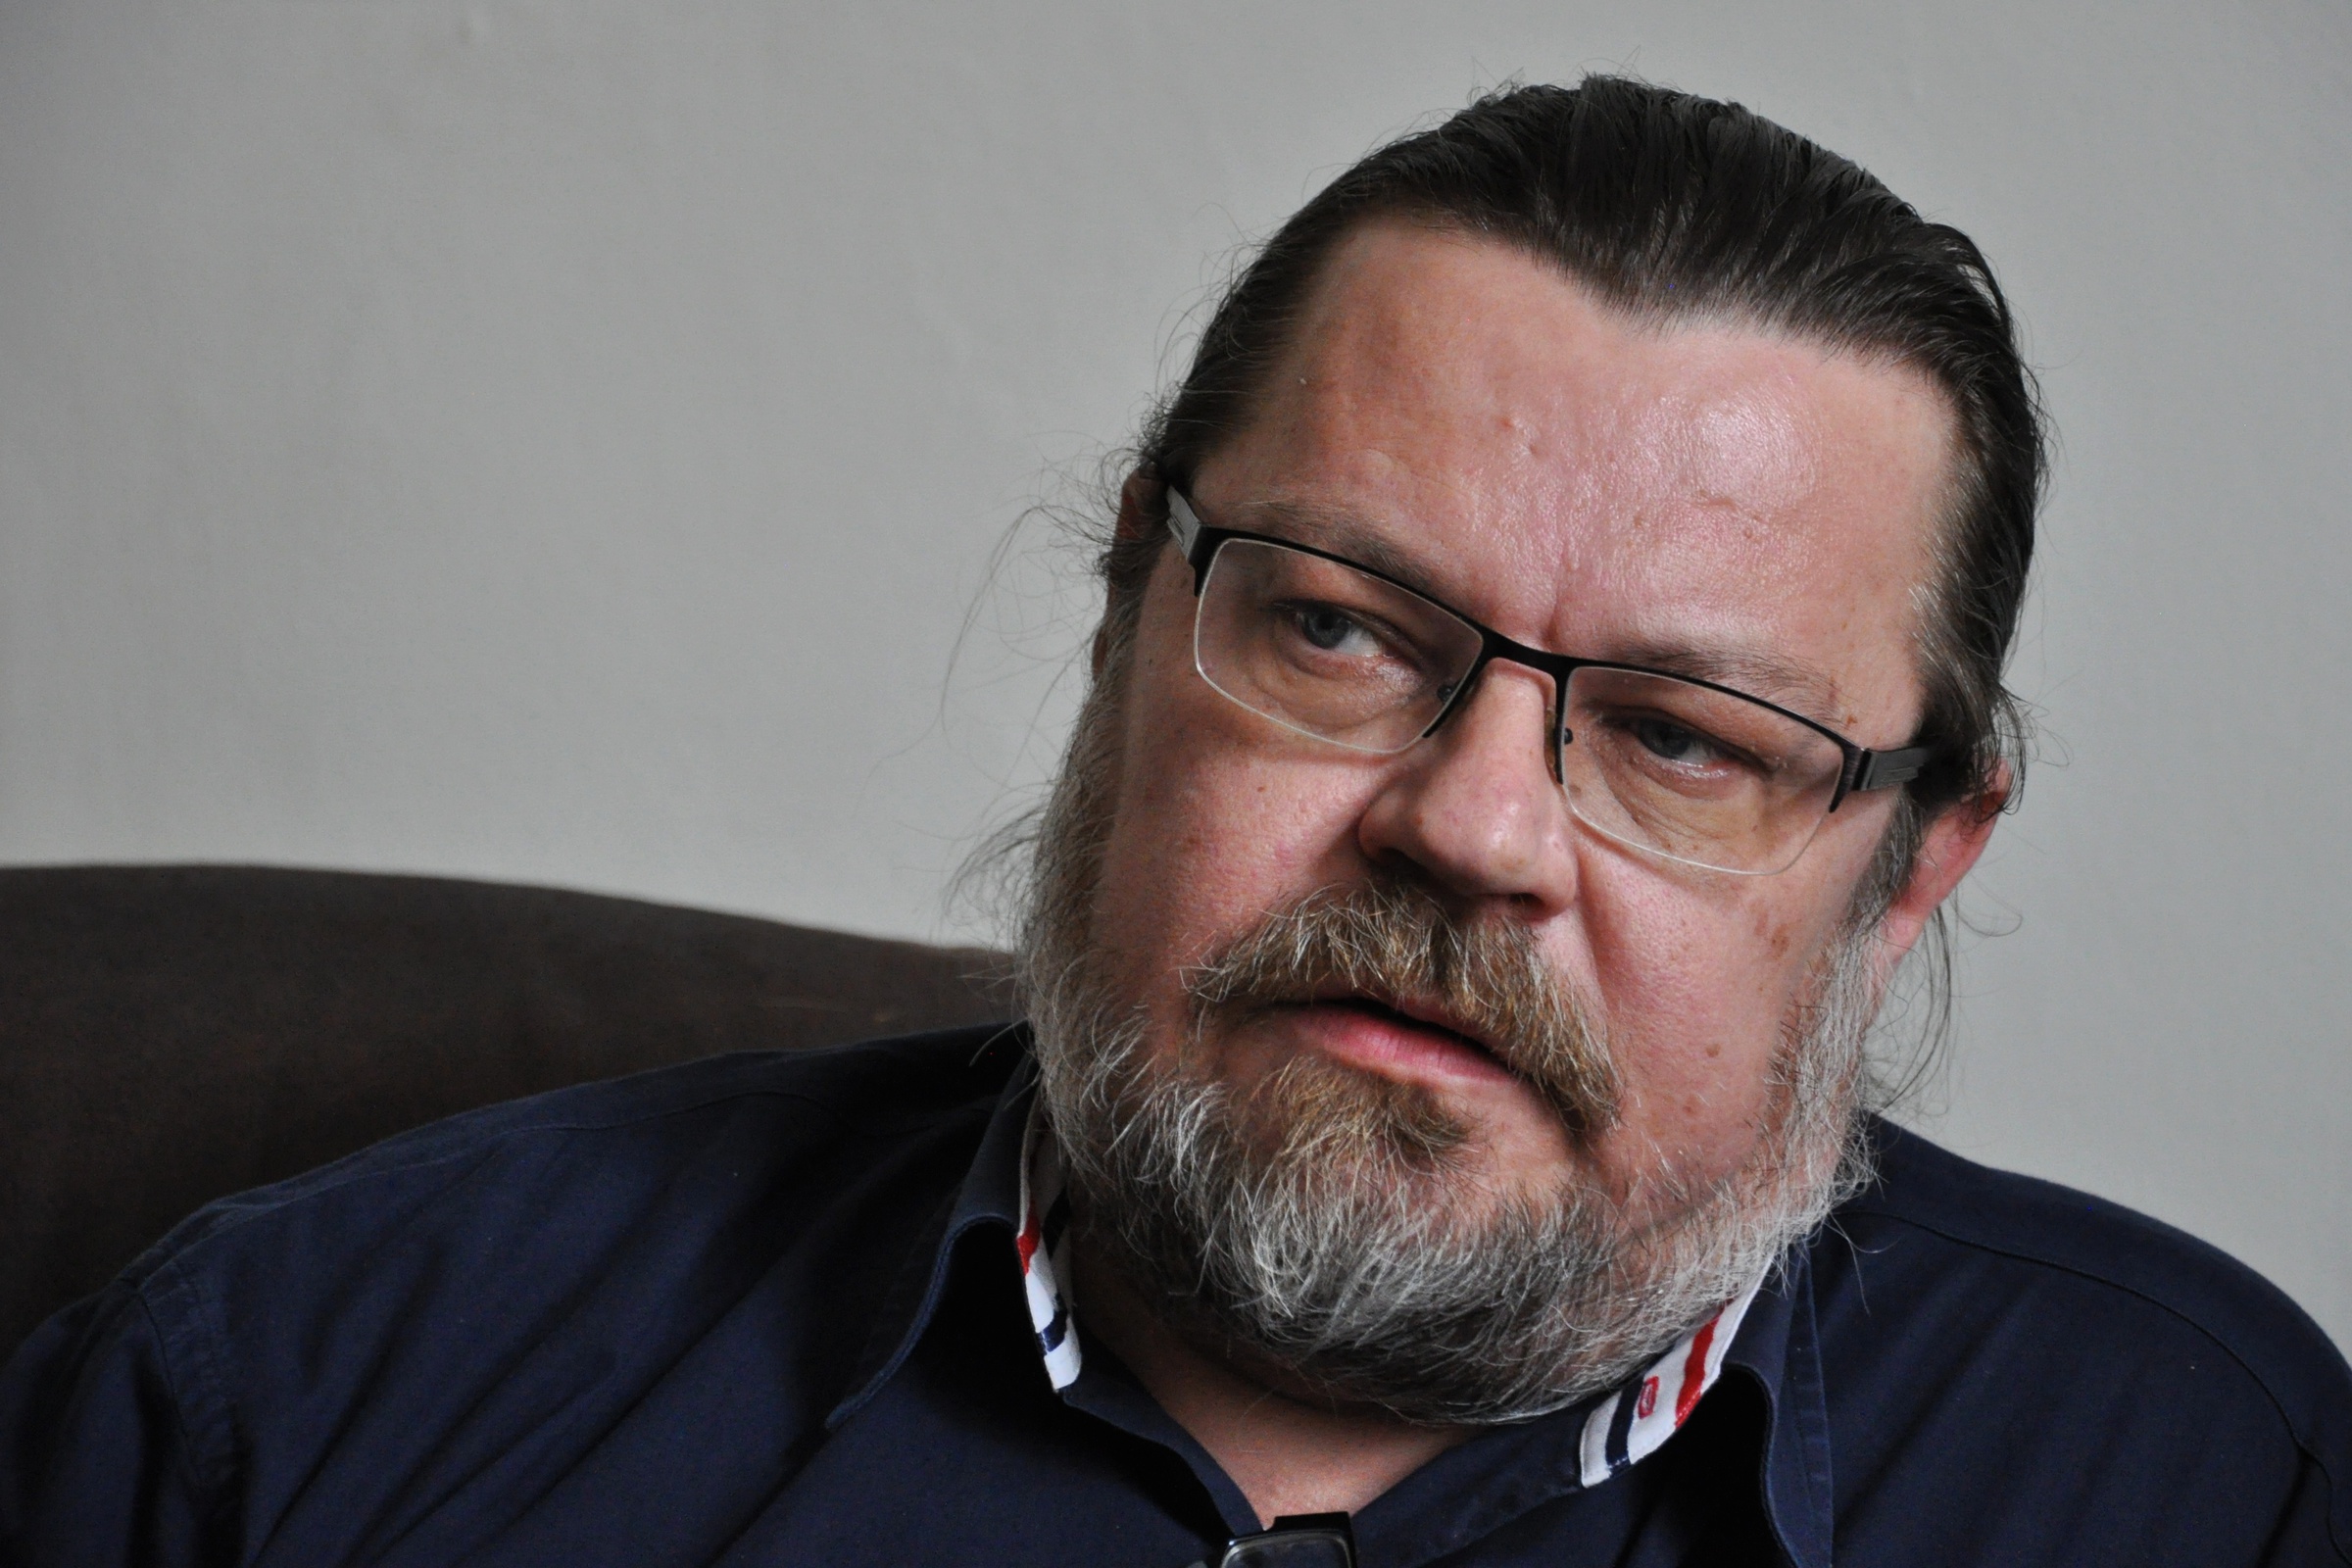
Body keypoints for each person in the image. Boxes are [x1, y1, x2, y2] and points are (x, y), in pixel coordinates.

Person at [3, 75, 2346, 1568]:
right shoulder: (301, 1392)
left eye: (1684, 738)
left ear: (1916, 859)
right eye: (1338, 627)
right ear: (1134, 608)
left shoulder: (2210, 1485)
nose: (1473, 828)